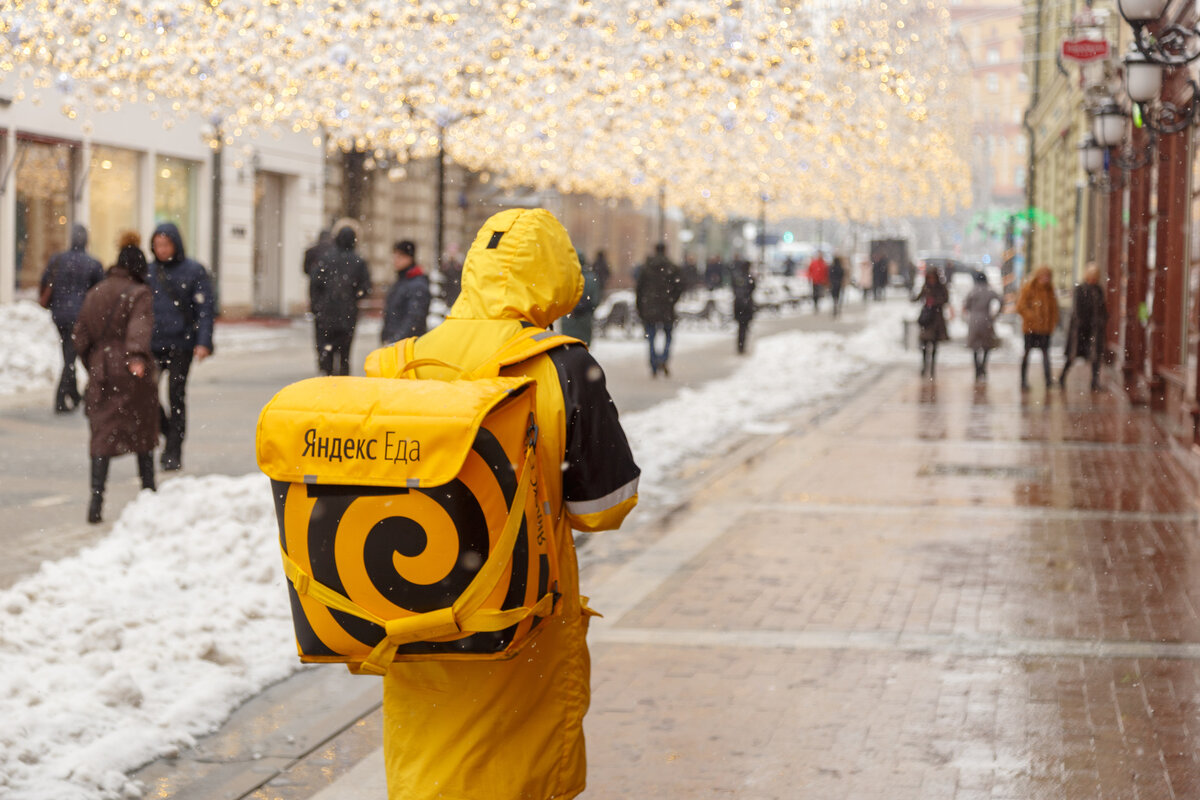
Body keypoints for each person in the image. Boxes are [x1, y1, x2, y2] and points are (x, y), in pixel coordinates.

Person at [382, 207, 640, 800]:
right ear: (556, 278)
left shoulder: (403, 362)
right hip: (517, 620)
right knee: (515, 773)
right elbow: (604, 506)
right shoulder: (564, 367)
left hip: (417, 617)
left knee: (431, 771)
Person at [72, 232, 159, 524]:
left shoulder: (96, 291)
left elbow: (80, 334)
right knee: (143, 432)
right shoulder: (139, 293)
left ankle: (96, 501)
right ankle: (149, 493)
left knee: (102, 436)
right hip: (130, 372)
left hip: (101, 369)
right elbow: (139, 327)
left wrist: (94, 360)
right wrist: (135, 356)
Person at [147, 221, 214, 472]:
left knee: (176, 395)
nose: (161, 249)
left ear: (175, 244)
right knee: (148, 394)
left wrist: (203, 342)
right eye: (157, 245)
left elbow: (205, 309)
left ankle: (173, 450)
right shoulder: (149, 271)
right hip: (153, 344)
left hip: (181, 343)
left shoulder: (194, 270)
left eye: (165, 244)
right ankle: (167, 431)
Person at [39, 224, 104, 413]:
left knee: (69, 353)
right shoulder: (93, 263)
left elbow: (45, 282)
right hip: (80, 316)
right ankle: (61, 399)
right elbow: (99, 291)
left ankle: (73, 395)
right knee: (70, 356)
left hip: (59, 315)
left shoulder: (58, 259)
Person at [309, 225, 371, 376]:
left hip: (326, 313)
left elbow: (314, 284)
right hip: (347, 314)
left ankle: (328, 376)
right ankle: (342, 381)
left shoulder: (326, 259)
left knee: (326, 349)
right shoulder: (358, 261)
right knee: (345, 353)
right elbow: (366, 288)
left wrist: (317, 305)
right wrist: (353, 296)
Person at [635, 242, 683, 377]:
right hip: (666, 306)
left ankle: (654, 363)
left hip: (649, 307)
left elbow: (639, 289)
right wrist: (672, 300)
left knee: (651, 337)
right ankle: (663, 358)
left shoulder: (646, 268)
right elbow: (680, 286)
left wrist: (640, 306)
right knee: (668, 335)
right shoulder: (672, 268)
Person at [1060, 263, 1108, 391]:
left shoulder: (1098, 289)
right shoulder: (1080, 289)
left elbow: (1103, 308)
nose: (1093, 279)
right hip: (1080, 329)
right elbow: (1077, 309)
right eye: (1091, 275)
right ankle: (1062, 377)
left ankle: (1094, 382)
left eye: (1095, 276)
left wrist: (1102, 320)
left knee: (1095, 358)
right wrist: (1081, 323)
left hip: (1094, 330)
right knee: (1072, 356)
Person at [1016, 265, 1059, 391]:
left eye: (1048, 277)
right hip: (1031, 329)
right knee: (1027, 353)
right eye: (1043, 276)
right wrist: (1033, 317)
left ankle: (1048, 380)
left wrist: (1052, 323)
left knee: (1046, 354)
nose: (1046, 279)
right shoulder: (1029, 288)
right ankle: (1023, 380)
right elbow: (1021, 307)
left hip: (1045, 329)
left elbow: (1054, 309)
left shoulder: (1050, 290)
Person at [381, 240, 431, 344]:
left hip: (406, 346)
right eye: (394, 256)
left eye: (399, 256)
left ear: (409, 258)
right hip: (395, 343)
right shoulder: (401, 281)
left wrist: (396, 340)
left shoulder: (417, 284)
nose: (395, 260)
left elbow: (415, 318)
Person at [963, 272, 1002, 381]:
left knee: (975, 346)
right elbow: (1001, 299)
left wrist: (971, 312)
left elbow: (966, 305)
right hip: (986, 320)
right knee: (987, 345)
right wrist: (997, 313)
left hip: (974, 320)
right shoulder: (989, 291)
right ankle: (983, 367)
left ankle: (977, 368)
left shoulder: (973, 291)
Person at [913, 268, 950, 379]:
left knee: (934, 345)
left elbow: (946, 299)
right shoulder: (926, 287)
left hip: (936, 319)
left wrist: (935, 302)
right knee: (924, 344)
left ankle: (932, 367)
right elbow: (918, 297)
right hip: (927, 319)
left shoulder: (941, 288)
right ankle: (925, 365)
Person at [560, 255, 601, 346]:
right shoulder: (591, 278)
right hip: (585, 321)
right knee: (583, 350)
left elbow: (559, 298)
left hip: (568, 321)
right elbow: (596, 300)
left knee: (568, 351)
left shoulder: (565, 277)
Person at [730, 258, 756, 354]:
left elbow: (734, 289)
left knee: (741, 327)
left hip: (739, 305)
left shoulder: (738, 277)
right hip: (746, 306)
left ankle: (740, 345)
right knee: (744, 327)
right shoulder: (749, 278)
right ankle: (742, 345)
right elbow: (752, 288)